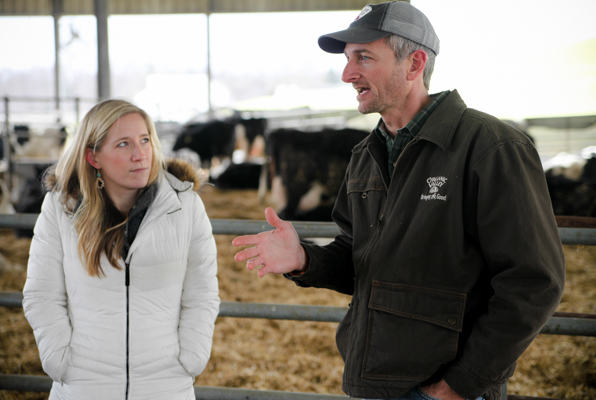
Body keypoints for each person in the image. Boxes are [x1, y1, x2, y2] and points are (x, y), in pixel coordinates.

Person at [233, 2, 565, 400]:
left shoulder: (490, 147)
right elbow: (360, 259)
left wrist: (459, 385)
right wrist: (304, 259)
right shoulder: (366, 154)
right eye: (347, 58)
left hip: (443, 388)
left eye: (364, 57)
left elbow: (533, 282)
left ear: (414, 64)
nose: (347, 74)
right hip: (372, 380)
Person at [23, 99, 220, 399]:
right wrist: (59, 361)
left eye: (145, 140)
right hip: (83, 387)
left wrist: (191, 358)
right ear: (93, 157)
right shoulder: (61, 208)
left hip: (165, 387)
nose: (140, 155)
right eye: (124, 144)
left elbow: (202, 292)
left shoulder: (185, 204)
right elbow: (42, 293)